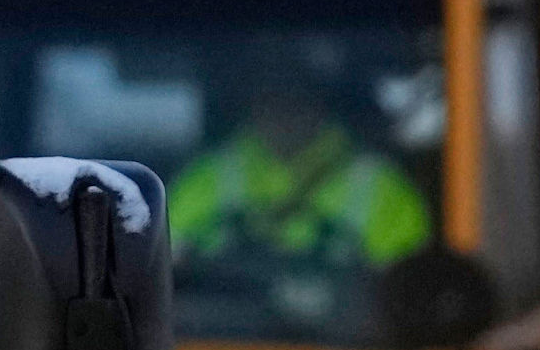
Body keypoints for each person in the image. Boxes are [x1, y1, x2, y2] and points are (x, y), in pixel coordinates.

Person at [166, 78, 433, 277]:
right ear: (252, 104)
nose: (284, 113)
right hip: (219, 345)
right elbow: (161, 271)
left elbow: (406, 291)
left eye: (297, 98)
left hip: (351, 349)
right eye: (273, 98)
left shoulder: (382, 188)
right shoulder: (204, 180)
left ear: (321, 104)